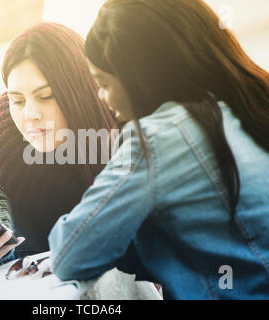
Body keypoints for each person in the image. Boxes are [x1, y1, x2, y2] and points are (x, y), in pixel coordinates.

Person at [48, 0, 269, 299]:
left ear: (139, 77)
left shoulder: (157, 138)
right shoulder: (247, 103)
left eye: (103, 83)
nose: (101, 97)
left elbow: (70, 255)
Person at [0, 22, 117, 272]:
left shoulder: (125, 143)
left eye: (46, 96)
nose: (30, 114)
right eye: (17, 100)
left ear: (80, 92)